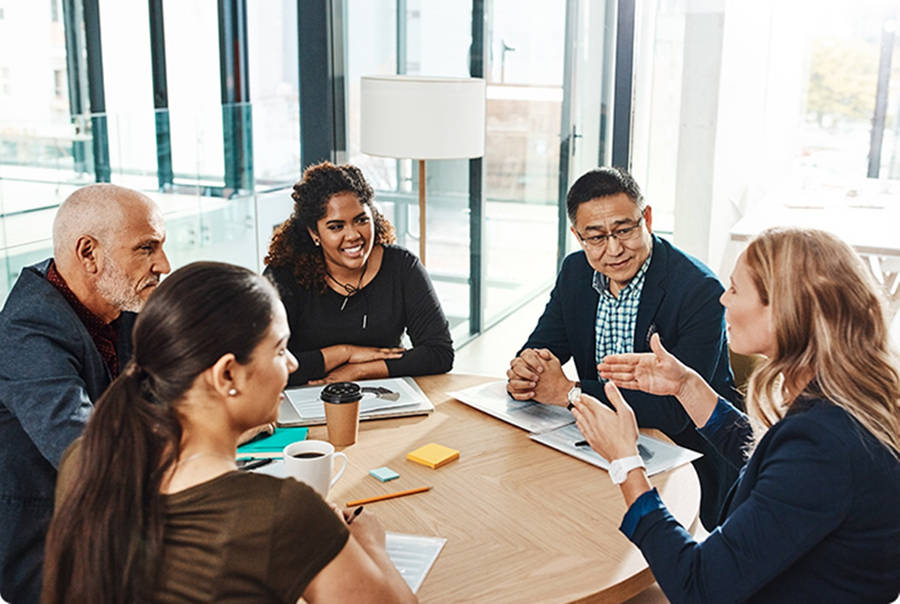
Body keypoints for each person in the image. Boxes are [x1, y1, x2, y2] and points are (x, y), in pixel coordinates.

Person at [42, 262, 417, 603]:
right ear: (227, 375)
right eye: (280, 349)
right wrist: (370, 546)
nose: (293, 362)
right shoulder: (283, 512)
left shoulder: (85, 459)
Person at [574, 228, 900, 602]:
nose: (722, 298)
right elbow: (770, 463)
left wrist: (625, 462)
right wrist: (687, 387)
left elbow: (699, 587)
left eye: (735, 289)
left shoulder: (825, 445)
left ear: (782, 310)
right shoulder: (844, 401)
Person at [506, 167, 737, 528]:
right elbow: (543, 346)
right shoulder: (576, 272)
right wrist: (528, 371)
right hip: (598, 448)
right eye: (595, 237)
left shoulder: (699, 290)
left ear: (646, 218)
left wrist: (570, 393)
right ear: (577, 236)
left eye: (624, 230)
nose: (613, 250)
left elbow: (677, 410)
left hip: (681, 455)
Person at [0, 184, 170, 603]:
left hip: (124, 521)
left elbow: (172, 389)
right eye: (146, 248)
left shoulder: (119, 303)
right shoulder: (27, 332)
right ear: (89, 254)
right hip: (53, 548)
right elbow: (86, 448)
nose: (164, 264)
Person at [264, 161, 453, 386]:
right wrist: (344, 353)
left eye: (361, 220)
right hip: (304, 399)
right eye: (336, 227)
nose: (353, 235)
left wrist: (359, 372)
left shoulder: (402, 266)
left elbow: (439, 353)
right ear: (314, 232)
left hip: (384, 396)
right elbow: (263, 366)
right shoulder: (284, 275)